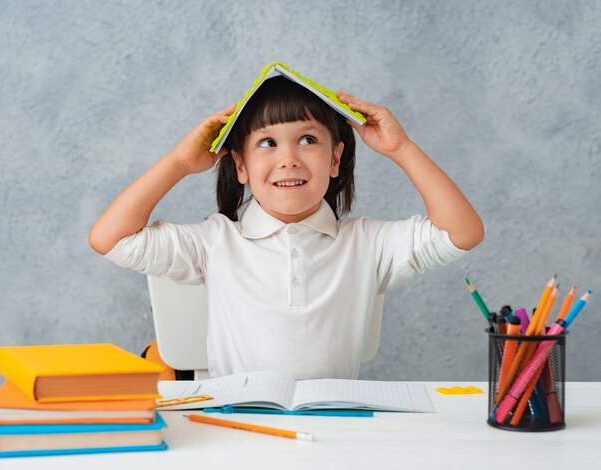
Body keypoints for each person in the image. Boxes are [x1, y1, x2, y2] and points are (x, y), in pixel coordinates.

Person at [89, 75, 484, 380]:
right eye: (267, 144)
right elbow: (110, 239)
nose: (289, 159)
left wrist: (402, 149)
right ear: (240, 166)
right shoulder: (216, 242)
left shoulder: (366, 243)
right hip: (239, 431)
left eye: (308, 139)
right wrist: (178, 162)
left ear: (335, 159)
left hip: (331, 436)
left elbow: (461, 232)